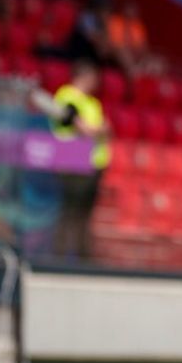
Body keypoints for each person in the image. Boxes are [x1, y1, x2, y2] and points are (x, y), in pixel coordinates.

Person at [33, 60, 111, 259]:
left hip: (94, 162)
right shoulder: (67, 95)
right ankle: (60, 254)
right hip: (72, 160)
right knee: (69, 209)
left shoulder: (93, 102)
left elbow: (105, 129)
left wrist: (97, 130)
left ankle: (83, 255)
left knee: (84, 212)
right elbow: (79, 125)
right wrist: (93, 129)